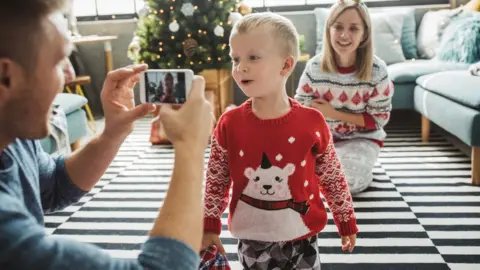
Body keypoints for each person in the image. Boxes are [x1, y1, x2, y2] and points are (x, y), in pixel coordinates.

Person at [0, 1, 214, 269]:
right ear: (6, 77)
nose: (66, 77)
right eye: (58, 63)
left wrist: (112, 133)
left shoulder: (11, 137)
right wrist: (190, 149)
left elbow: (52, 186)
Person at [201, 12, 358, 270]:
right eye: (236, 58)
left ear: (285, 66)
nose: (240, 67)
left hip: (303, 236)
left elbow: (331, 176)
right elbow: (216, 180)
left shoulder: (312, 122)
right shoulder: (229, 123)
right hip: (252, 238)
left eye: (253, 57)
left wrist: (345, 220)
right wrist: (209, 225)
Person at [295, 0, 394, 194]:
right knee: (277, 167)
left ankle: (334, 167)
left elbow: (378, 120)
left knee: (348, 183)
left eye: (353, 28)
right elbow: (300, 108)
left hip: (361, 138)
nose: (344, 35)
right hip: (322, 139)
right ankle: (324, 166)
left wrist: (333, 113)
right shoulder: (314, 68)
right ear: (329, 29)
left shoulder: (377, 71)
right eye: (338, 27)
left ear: (364, 33)